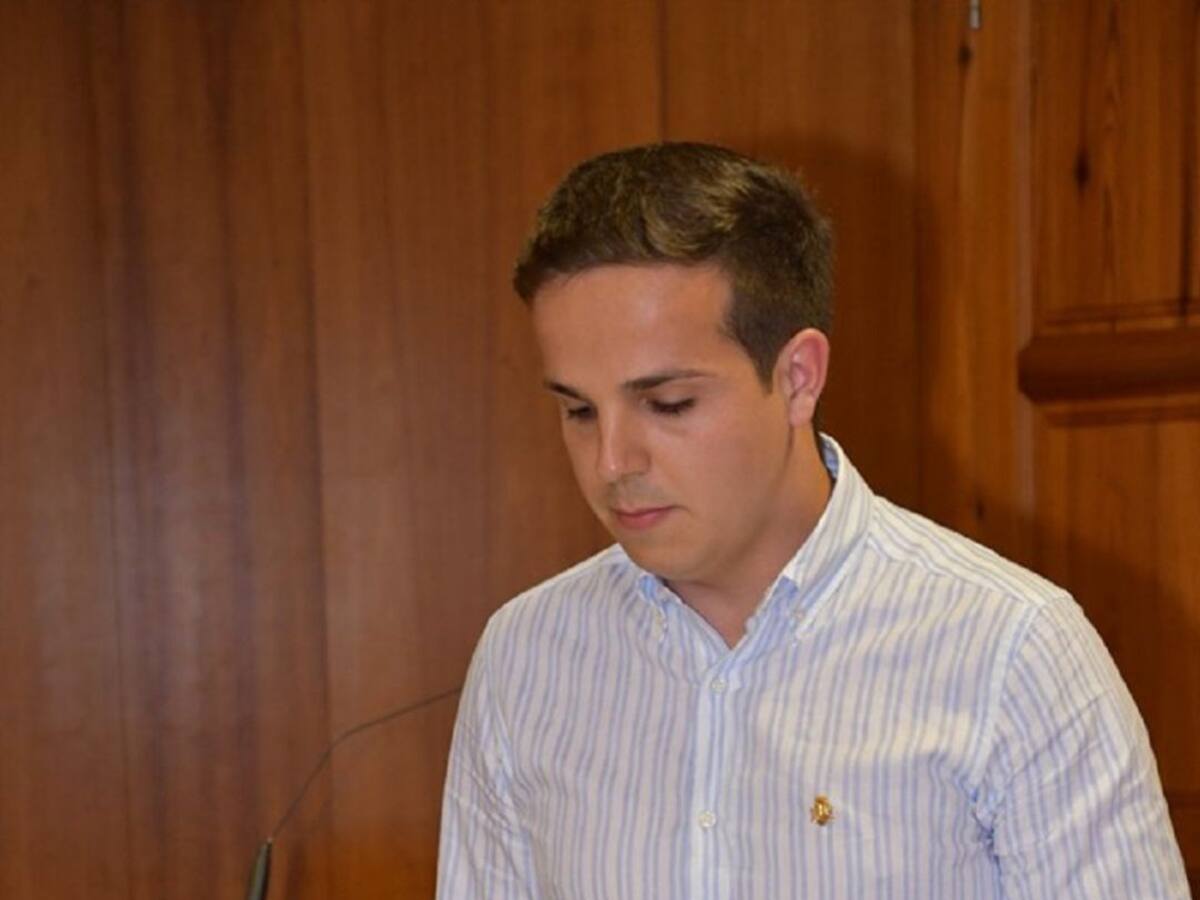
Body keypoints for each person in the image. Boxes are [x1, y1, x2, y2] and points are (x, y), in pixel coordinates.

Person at [436, 142, 1189, 898]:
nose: (611, 462)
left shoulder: (1012, 651)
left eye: (668, 404)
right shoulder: (524, 659)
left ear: (798, 378)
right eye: (577, 410)